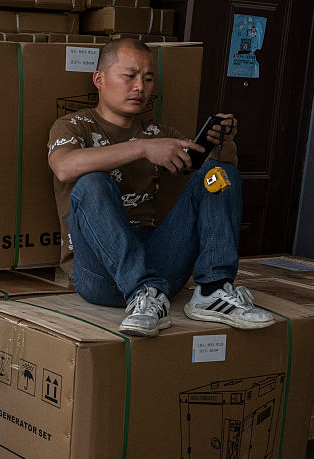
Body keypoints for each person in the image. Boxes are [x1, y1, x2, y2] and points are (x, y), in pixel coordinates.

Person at [47, 38, 274, 337]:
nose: (140, 87)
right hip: (98, 274)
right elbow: (64, 167)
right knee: (91, 181)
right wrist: (142, 148)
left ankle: (213, 290)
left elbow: (220, 167)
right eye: (130, 76)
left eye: (148, 78)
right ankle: (142, 291)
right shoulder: (74, 125)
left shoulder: (157, 133)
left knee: (218, 174)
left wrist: (225, 141)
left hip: (159, 270)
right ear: (99, 80)